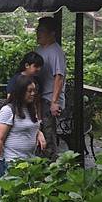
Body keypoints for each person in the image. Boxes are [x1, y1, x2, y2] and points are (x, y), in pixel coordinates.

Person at [0, 75, 46, 177]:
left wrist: (39, 133)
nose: (33, 94)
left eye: (34, 90)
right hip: (11, 163)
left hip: (29, 162)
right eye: (29, 91)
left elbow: (30, 126)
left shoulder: (31, 109)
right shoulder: (8, 111)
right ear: (20, 92)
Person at [35, 16, 66, 161]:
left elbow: (59, 77)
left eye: (41, 30)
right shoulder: (40, 49)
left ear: (52, 33)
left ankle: (51, 163)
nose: (38, 33)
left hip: (49, 99)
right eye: (37, 30)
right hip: (39, 98)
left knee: (48, 134)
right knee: (38, 131)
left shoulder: (55, 52)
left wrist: (54, 102)